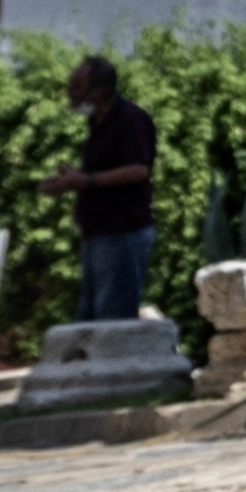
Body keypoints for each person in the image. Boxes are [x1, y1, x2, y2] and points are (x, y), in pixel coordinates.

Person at [61, 55, 164, 328]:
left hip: (122, 231)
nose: (72, 93)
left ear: (101, 90)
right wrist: (72, 183)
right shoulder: (97, 123)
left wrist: (87, 181)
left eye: (78, 86)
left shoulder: (130, 119)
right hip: (98, 231)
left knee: (111, 319)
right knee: (91, 316)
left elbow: (139, 169)